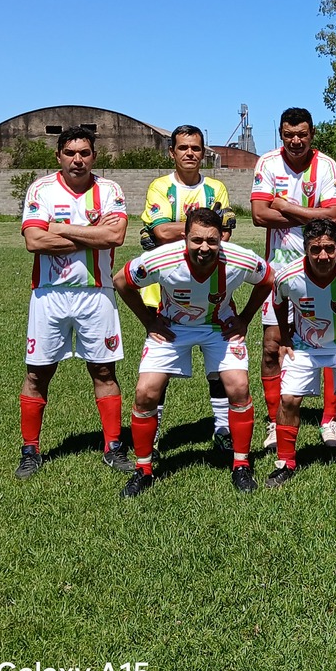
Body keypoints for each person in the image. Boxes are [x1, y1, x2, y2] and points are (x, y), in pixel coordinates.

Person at [113, 208, 274, 497]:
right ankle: (144, 469)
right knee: (145, 392)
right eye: (196, 240)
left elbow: (268, 279)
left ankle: (241, 465)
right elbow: (121, 281)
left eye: (212, 241)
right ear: (185, 237)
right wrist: (149, 321)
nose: (204, 248)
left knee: (238, 387)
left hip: (219, 326)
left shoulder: (239, 259)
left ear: (221, 239)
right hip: (173, 327)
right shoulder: (162, 259)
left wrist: (245, 318)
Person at [15, 126, 132, 479]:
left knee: (103, 369)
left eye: (84, 153)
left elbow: (115, 236)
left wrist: (61, 229)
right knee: (38, 372)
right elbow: (34, 241)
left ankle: (112, 446)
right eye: (70, 153)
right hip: (49, 295)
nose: (77, 160)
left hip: (97, 293)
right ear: (59, 156)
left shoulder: (109, 190)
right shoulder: (42, 189)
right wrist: (91, 236)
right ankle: (30, 450)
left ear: (94, 156)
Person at [251, 107, 336, 452]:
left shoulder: (327, 165)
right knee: (272, 347)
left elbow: (333, 217)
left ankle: (329, 420)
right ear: (281, 134)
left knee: (328, 343)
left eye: (302, 134)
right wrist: (311, 215)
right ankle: (276, 422)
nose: (295, 140)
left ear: (312, 134)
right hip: (277, 271)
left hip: (321, 267)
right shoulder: (267, 163)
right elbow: (260, 215)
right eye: (289, 134)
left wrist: (286, 207)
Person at [139, 124, 236, 451]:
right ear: (172, 152)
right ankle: (152, 433)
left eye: (195, 148)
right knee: (159, 368)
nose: (190, 153)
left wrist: (172, 231)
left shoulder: (216, 188)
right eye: (183, 148)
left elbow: (222, 235)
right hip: (164, 292)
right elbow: (160, 230)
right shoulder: (159, 187)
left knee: (218, 367)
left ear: (203, 151)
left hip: (211, 290)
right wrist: (202, 230)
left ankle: (222, 430)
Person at [265, 219, 336, 488]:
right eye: (315, 249)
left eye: (329, 248)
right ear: (305, 249)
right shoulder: (288, 276)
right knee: (289, 400)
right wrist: (284, 338)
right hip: (304, 345)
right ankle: (285, 463)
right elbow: (278, 303)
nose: (323, 256)